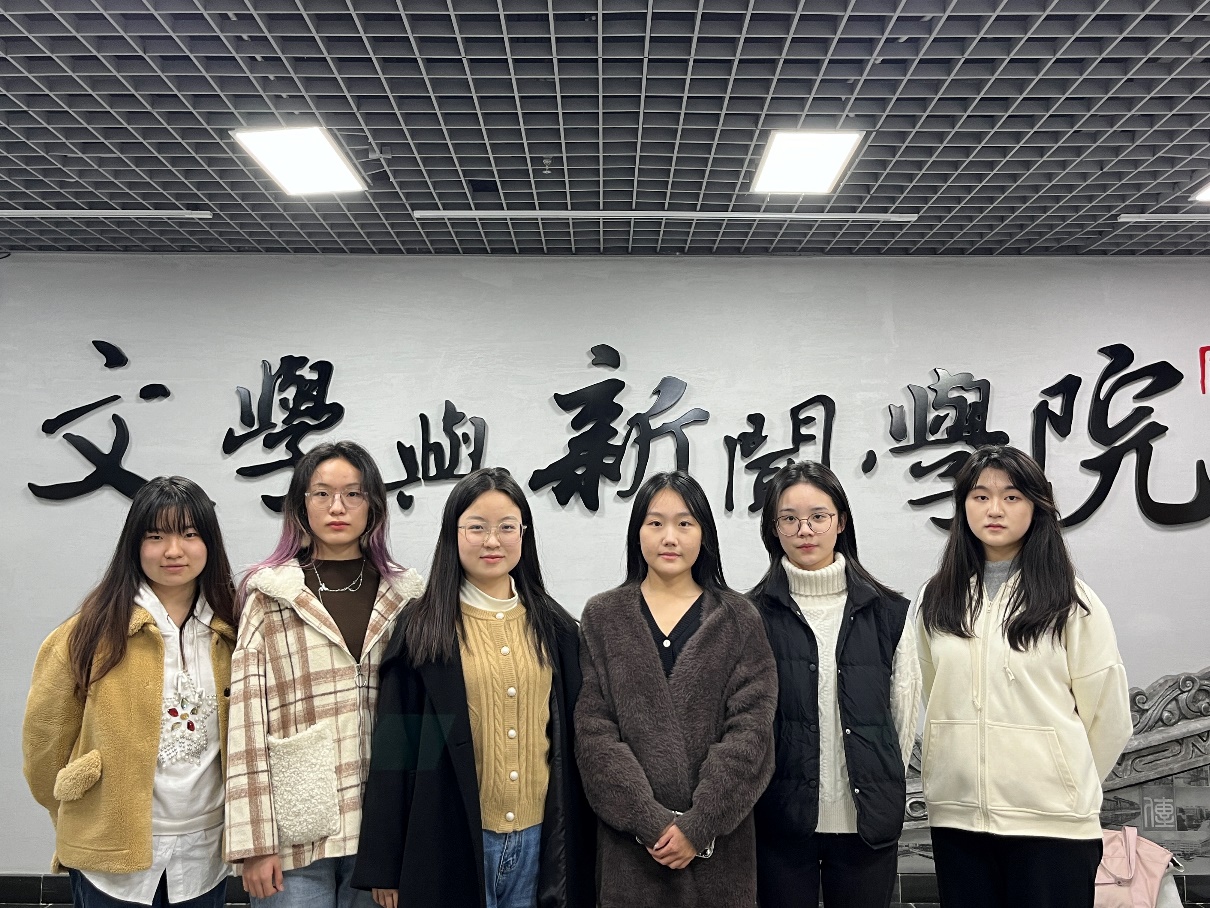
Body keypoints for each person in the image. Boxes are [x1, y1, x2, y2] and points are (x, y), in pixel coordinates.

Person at [352, 467, 594, 908]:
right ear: (453, 533)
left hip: (539, 843)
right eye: (477, 527)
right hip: (451, 840)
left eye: (507, 527)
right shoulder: (422, 628)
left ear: (524, 534)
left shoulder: (557, 628)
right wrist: (386, 864)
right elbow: (396, 754)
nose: (492, 541)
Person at [917, 444, 1134, 908]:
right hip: (958, 820)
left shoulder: (1071, 601)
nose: (994, 509)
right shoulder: (936, 599)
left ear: (1037, 506)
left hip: (1053, 827)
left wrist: (1062, 781)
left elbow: (1108, 716)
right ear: (963, 507)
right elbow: (933, 691)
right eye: (980, 496)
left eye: (1011, 497)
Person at [224, 441, 424, 908]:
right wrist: (254, 844)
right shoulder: (270, 596)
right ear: (301, 505)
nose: (337, 507)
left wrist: (415, 830)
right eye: (322, 494)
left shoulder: (407, 596)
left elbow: (423, 719)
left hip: (381, 829)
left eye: (353, 494)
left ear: (373, 507)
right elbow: (245, 724)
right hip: (295, 830)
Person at [23, 476, 239, 908]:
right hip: (111, 855)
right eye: (155, 536)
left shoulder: (236, 631)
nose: (173, 550)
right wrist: (82, 816)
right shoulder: (87, 633)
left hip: (207, 851)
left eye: (189, 534)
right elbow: (44, 745)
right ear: (134, 545)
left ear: (209, 543)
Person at [575, 470, 778, 908]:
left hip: (719, 851)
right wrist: (650, 822)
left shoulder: (739, 618)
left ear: (704, 534)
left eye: (685, 523)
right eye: (655, 523)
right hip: (631, 853)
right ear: (638, 533)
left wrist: (698, 826)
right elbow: (595, 734)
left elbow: (751, 732)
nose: (670, 537)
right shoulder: (602, 617)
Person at [749, 461, 921, 908]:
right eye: (789, 518)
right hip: (780, 821)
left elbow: (902, 720)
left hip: (866, 823)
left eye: (818, 516)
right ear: (774, 529)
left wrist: (874, 777)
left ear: (841, 522)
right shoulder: (749, 615)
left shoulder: (889, 613)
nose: (805, 530)